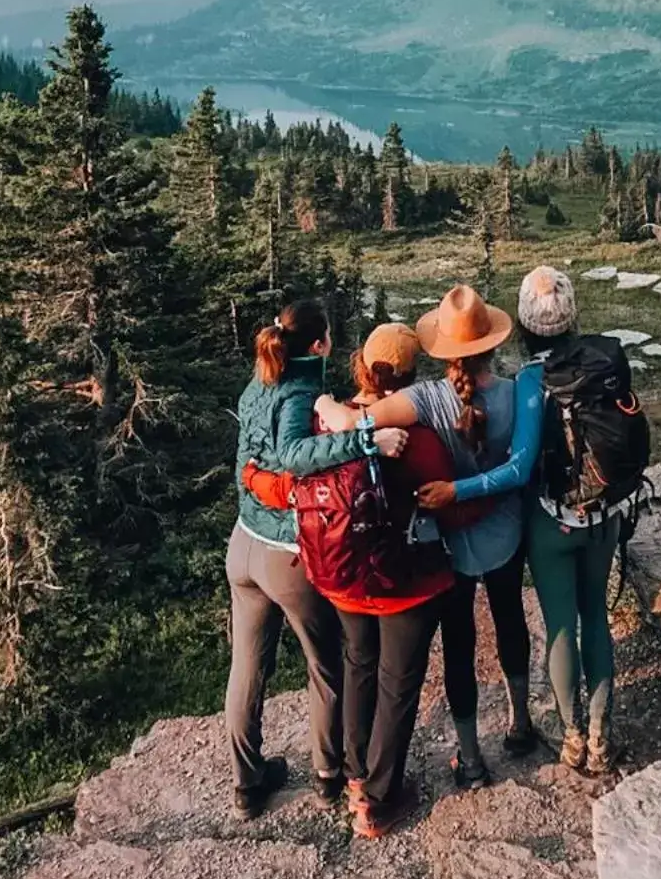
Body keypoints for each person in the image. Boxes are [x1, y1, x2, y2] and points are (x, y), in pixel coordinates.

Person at [245, 322, 466, 838]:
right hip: (405, 583)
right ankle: (381, 800)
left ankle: (353, 778)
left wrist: (252, 478)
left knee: (358, 666)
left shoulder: (327, 422)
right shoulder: (420, 437)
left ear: (363, 366)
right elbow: (447, 509)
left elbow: (294, 484)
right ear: (411, 376)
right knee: (397, 684)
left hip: (342, 578)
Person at [316, 283, 537, 784]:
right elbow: (522, 466)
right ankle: (520, 723)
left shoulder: (424, 398)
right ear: (492, 344)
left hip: (451, 545)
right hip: (504, 534)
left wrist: (329, 407)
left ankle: (471, 759)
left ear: (441, 350)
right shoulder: (517, 392)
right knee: (510, 622)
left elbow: (360, 422)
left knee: (460, 643)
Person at [417, 267, 623, 776]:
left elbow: (520, 466)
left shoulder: (530, 382)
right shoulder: (609, 361)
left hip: (553, 522)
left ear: (526, 327)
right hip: (604, 515)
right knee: (595, 615)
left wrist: (456, 490)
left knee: (560, 625)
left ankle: (572, 737)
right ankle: (601, 736)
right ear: (572, 315)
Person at [227, 297, 408, 818]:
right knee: (326, 665)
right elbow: (293, 454)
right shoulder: (303, 389)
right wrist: (365, 441)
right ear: (320, 344)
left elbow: (251, 460)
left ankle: (246, 783)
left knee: (246, 667)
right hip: (286, 554)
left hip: (243, 544)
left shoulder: (259, 380)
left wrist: (261, 486)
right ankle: (328, 773)